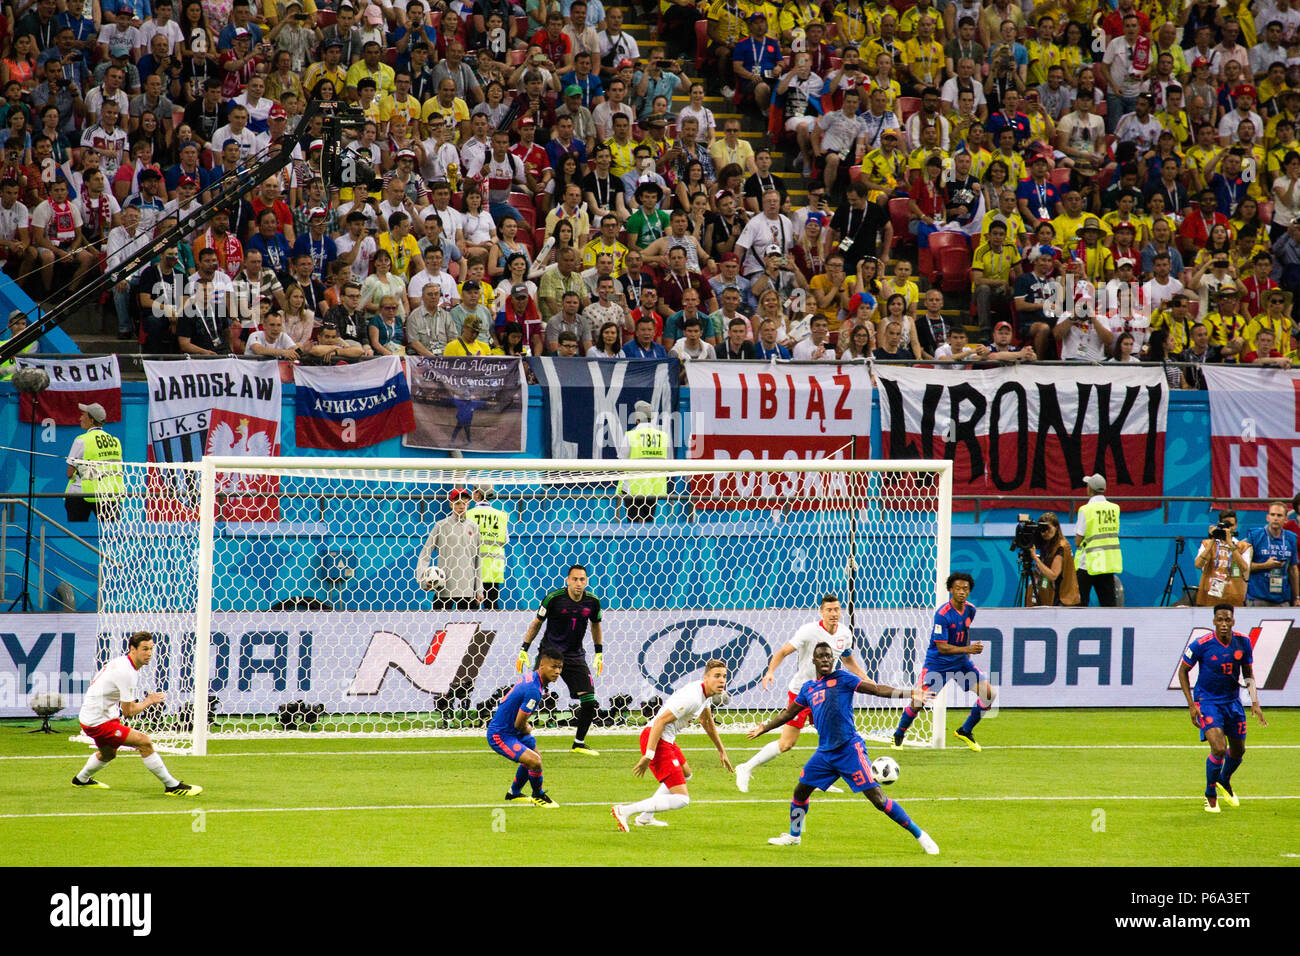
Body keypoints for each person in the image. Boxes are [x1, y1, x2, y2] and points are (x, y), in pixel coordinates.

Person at [748, 642, 939, 854]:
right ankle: (794, 836)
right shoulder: (808, 689)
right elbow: (788, 714)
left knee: (878, 799)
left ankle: (920, 835)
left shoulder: (843, 678)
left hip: (849, 750)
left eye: (829, 656)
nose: (825, 660)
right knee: (800, 792)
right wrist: (765, 728)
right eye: (821, 656)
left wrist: (910, 693)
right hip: (825, 753)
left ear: (833, 659)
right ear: (813, 660)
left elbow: (876, 689)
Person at [734, 594, 866, 793]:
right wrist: (770, 672)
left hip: (826, 693)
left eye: (837, 609)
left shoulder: (845, 634)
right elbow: (782, 652)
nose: (833, 613)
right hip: (802, 692)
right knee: (787, 743)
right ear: (821, 612)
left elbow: (848, 660)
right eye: (829, 610)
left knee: (831, 737)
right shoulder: (808, 631)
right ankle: (746, 767)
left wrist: (866, 679)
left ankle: (820, 779)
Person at [72, 631, 202, 796]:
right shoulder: (126, 672)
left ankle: (81, 779)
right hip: (98, 721)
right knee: (144, 742)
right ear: (132, 649)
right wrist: (149, 700)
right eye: (144, 649)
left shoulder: (123, 663)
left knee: (108, 754)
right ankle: (172, 786)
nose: (149, 653)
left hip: (98, 715)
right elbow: (129, 712)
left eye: (151, 649)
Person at [610, 659, 732, 831]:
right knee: (682, 799)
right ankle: (625, 810)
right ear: (706, 678)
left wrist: (721, 750)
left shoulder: (706, 694)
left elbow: (706, 720)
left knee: (686, 774)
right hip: (656, 738)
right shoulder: (692, 698)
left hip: (666, 739)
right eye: (717, 676)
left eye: (724, 676)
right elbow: (660, 721)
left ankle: (645, 818)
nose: (721, 680)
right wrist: (649, 755)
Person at [1176, 604, 1266, 813]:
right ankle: (1210, 794)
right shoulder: (1201, 644)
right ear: (1214, 621)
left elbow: (1248, 671)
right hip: (1207, 701)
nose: (1224, 624)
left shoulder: (1243, 642)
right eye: (1220, 620)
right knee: (1218, 748)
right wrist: (1191, 705)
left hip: (1232, 702)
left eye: (1227, 620)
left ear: (1233, 621)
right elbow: (1183, 672)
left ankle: (1224, 780)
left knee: (1238, 750)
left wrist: (1254, 701)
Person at [893, 572, 993, 751]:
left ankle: (965, 731)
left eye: (965, 589)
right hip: (938, 664)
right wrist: (968, 649)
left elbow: (966, 629)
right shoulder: (942, 614)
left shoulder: (971, 609)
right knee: (919, 700)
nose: (962, 592)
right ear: (950, 590)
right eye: (957, 589)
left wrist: (966, 656)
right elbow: (942, 647)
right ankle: (899, 734)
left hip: (961, 662)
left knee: (989, 694)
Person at [517, 563, 604, 755]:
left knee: (589, 700)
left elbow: (595, 625)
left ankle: (579, 744)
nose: (578, 583)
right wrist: (525, 649)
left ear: (586, 581)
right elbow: (537, 623)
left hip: (575, 655)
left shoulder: (593, 601)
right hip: (550, 654)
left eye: (582, 579)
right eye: (575, 579)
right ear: (568, 580)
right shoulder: (554, 598)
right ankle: (515, 734)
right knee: (531, 695)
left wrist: (599, 652)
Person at [487, 646, 563, 808]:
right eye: (554, 666)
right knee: (535, 762)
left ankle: (514, 793)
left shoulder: (532, 678)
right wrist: (527, 728)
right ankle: (538, 795)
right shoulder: (534, 690)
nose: (557, 671)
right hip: (501, 735)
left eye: (560, 667)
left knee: (533, 757)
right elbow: (519, 724)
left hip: (512, 731)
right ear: (542, 665)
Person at [415, 487, 484, 610]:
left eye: (464, 503)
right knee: (439, 627)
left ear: (469, 504)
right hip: (444, 590)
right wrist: (422, 579)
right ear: (451, 504)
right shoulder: (441, 526)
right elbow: (425, 553)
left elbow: (478, 561)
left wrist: (479, 589)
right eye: (457, 503)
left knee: (469, 628)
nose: (461, 506)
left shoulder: (474, 527)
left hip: (467, 591)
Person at [64, 402, 124, 523]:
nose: (80, 418)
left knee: (77, 534)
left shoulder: (82, 440)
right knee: (110, 536)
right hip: (109, 494)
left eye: (83, 415)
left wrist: (83, 472)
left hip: (81, 493)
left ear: (91, 420)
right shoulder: (115, 441)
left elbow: (69, 473)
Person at [1075, 473, 1123, 607]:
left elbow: (1078, 541)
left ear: (1090, 488)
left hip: (1088, 563)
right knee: (1109, 605)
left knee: (1080, 603)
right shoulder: (1115, 509)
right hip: (1107, 562)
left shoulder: (1086, 509)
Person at [618, 400, 668, 523]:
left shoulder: (631, 435)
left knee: (632, 527)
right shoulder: (662, 436)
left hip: (632, 488)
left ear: (637, 417)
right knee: (648, 526)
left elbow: (621, 461)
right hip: (653, 487)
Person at [1246, 500, 1300, 607]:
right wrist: (1265, 565)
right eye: (1272, 514)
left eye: (1279, 515)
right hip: (1257, 597)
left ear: (1285, 519)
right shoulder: (1254, 536)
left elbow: (1293, 569)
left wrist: (1296, 597)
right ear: (1267, 517)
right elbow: (1245, 567)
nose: (1275, 518)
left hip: (1282, 599)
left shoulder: (1291, 538)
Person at [1195, 510, 1252, 607]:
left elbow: (1244, 568)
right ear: (1218, 524)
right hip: (1208, 598)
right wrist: (1212, 540)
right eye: (1225, 525)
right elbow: (1198, 565)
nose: (1228, 529)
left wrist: (1230, 544)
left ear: (1236, 525)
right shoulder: (1207, 543)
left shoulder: (1244, 546)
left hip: (1234, 599)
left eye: (1231, 525)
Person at [467, 484, 508, 610]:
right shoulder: (501, 515)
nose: (472, 492)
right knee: (492, 605)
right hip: (494, 567)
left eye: (474, 490)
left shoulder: (468, 514)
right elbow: (505, 540)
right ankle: (493, 630)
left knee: (471, 607)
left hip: (472, 567)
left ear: (478, 494)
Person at [1027, 513, 1079, 607]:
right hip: (1053, 593)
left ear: (1056, 527)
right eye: (1042, 529)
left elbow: (1053, 575)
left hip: (1063, 598)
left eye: (1048, 528)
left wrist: (1035, 558)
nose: (1045, 532)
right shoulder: (1048, 543)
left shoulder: (1061, 546)